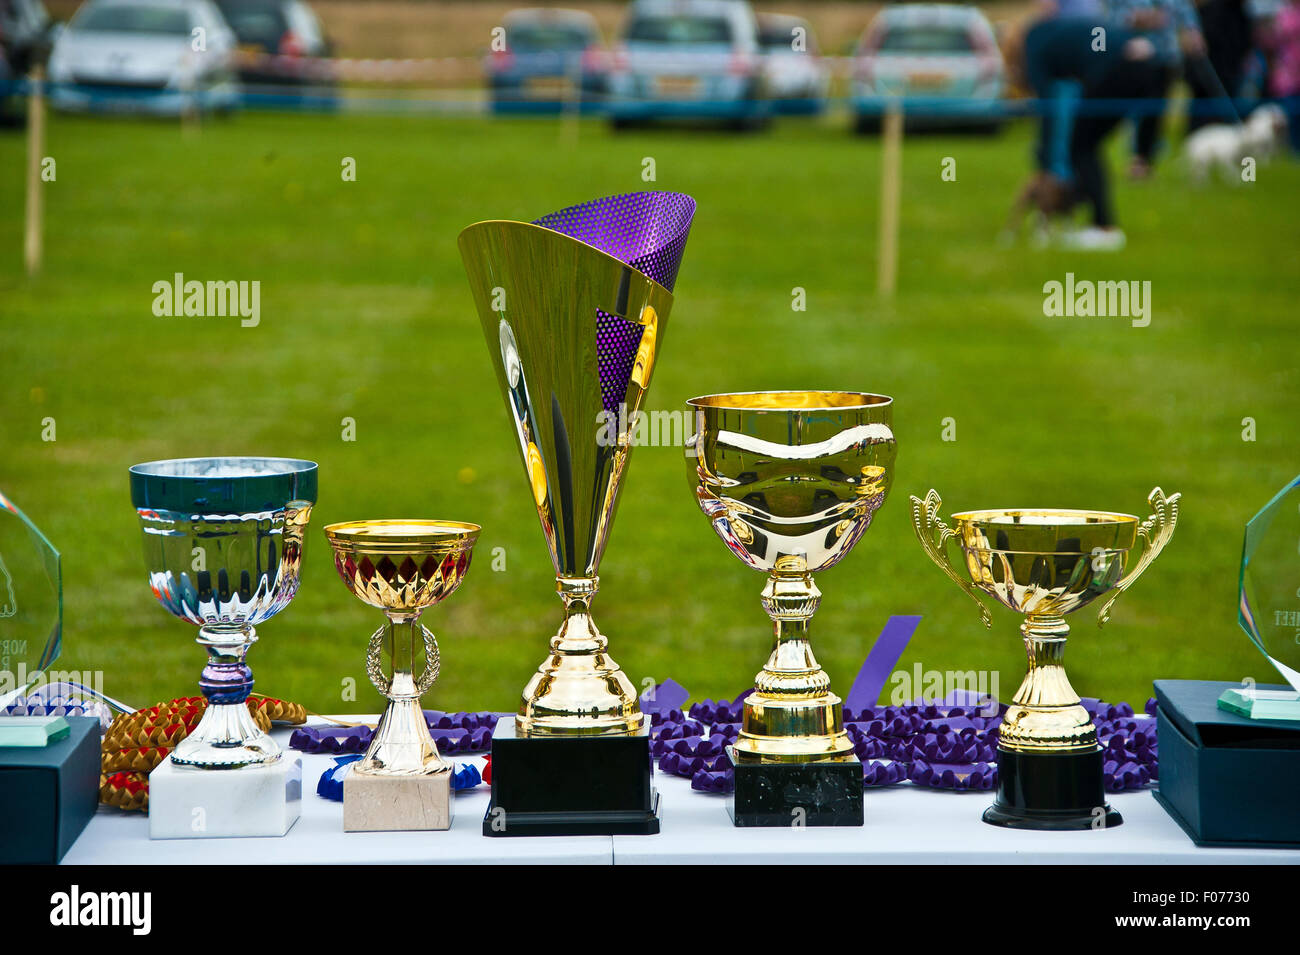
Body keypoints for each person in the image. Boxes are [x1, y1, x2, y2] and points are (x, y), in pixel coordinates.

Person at [1021, 17, 1166, 249]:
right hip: (1152, 61)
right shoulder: (1053, 30)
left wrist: (1044, 161)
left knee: (1081, 147)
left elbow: (1046, 108)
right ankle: (1094, 208)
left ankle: (1103, 228)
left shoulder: (1033, 46)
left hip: (1119, 65)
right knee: (1087, 144)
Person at [1104, 0, 1206, 176]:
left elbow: (1185, 11)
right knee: (1121, 109)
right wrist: (1132, 20)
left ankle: (1142, 160)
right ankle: (1101, 156)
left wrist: (1193, 31)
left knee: (1155, 109)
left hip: (1165, 57)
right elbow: (1107, 20)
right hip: (1130, 55)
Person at [1185, 0, 1253, 131]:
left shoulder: (1241, 13)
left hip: (1231, 72)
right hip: (1207, 75)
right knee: (1203, 116)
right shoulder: (1210, 11)